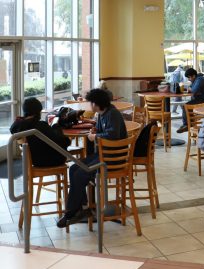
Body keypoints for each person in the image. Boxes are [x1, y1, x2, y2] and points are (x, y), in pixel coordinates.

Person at [57, 88, 127, 228]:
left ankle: (72, 212)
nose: (90, 105)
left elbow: (112, 135)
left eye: (91, 102)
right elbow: (104, 132)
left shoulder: (112, 113)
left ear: (96, 103)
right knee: (74, 168)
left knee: (80, 174)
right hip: (103, 155)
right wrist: (96, 131)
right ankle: (82, 207)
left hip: (113, 158)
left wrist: (95, 136)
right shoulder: (102, 114)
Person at [10, 98, 71, 167]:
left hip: (34, 161)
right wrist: (56, 126)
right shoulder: (40, 126)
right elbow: (65, 142)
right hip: (52, 160)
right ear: (37, 112)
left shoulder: (20, 126)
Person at [176, 68, 204, 133]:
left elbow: (193, 90)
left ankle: (187, 125)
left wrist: (191, 89)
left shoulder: (200, 79)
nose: (189, 79)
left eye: (189, 77)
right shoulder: (196, 80)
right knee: (186, 106)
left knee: (185, 106)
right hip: (201, 100)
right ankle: (189, 124)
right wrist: (191, 88)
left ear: (193, 76)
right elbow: (191, 88)